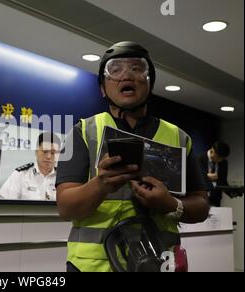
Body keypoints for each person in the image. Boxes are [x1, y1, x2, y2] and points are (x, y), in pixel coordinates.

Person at [55, 41, 210, 272]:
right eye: (114, 70)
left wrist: (171, 204)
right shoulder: (83, 131)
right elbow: (65, 207)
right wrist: (101, 184)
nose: (126, 75)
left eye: (137, 68)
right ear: (102, 88)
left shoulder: (179, 137)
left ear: (150, 83)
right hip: (92, 266)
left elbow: (201, 206)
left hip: (158, 263)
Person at [0, 132, 60, 200]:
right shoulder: (20, 175)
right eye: (45, 151)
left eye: (53, 153)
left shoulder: (62, 177)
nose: (48, 156)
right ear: (36, 152)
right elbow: (4, 203)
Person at [197, 141, 230, 207]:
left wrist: (232, 192)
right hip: (201, 198)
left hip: (216, 200)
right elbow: (194, 179)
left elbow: (223, 182)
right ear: (212, 151)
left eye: (222, 158)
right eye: (218, 157)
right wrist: (206, 177)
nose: (220, 160)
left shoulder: (224, 162)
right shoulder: (198, 159)